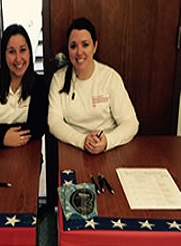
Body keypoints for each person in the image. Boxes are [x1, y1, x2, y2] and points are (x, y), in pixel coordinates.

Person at [48, 17, 139, 154]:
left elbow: (131, 123)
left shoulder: (110, 77)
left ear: (95, 46)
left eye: (85, 45)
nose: (79, 52)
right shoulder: (58, 79)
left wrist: (107, 141)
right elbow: (54, 122)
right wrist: (82, 140)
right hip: (73, 148)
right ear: (68, 49)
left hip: (109, 149)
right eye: (73, 46)